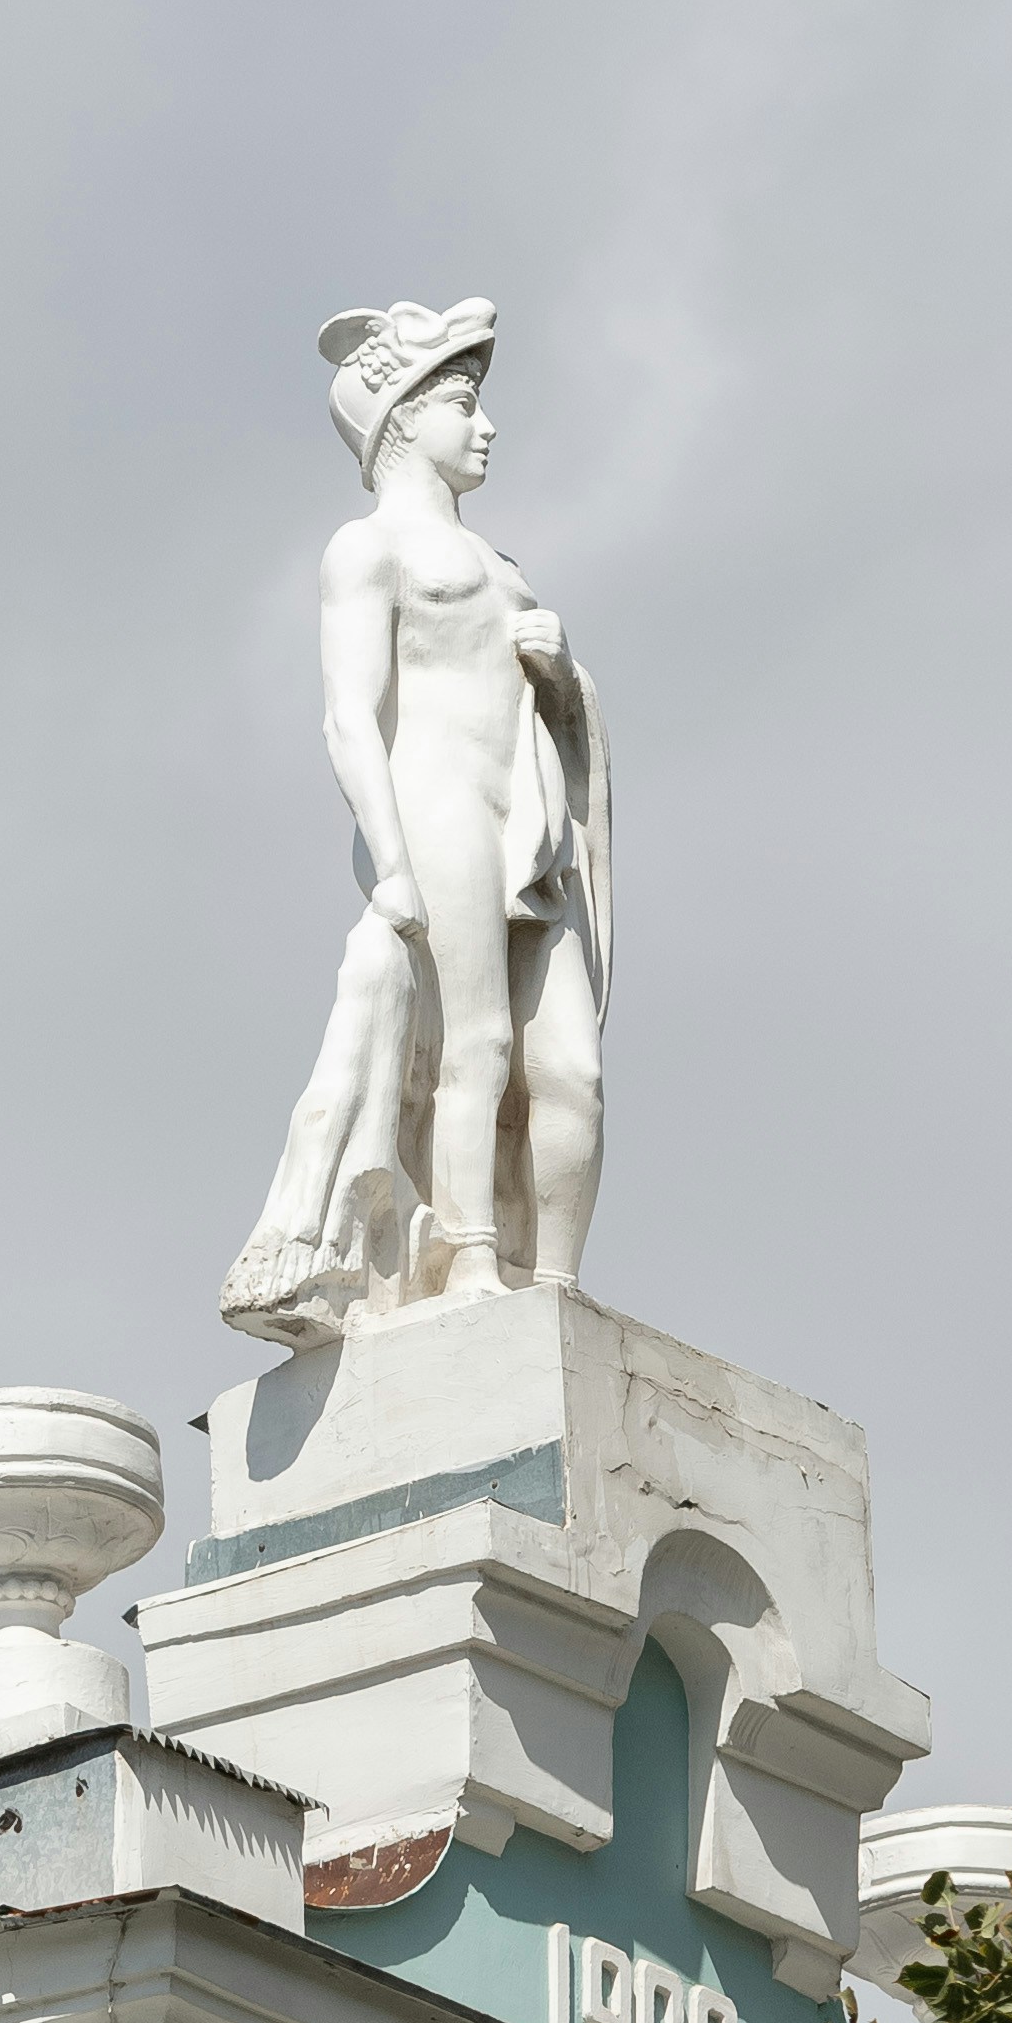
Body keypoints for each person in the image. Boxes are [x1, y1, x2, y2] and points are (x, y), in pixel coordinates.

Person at [220, 298, 609, 1344]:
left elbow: (560, 722)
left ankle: (559, 1291)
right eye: (464, 405)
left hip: (528, 822)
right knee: (472, 1041)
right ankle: (474, 1259)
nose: (485, 428)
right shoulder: (367, 551)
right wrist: (391, 865)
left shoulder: (509, 568)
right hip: (437, 802)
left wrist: (565, 680)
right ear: (400, 417)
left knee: (569, 1065)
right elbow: (350, 715)